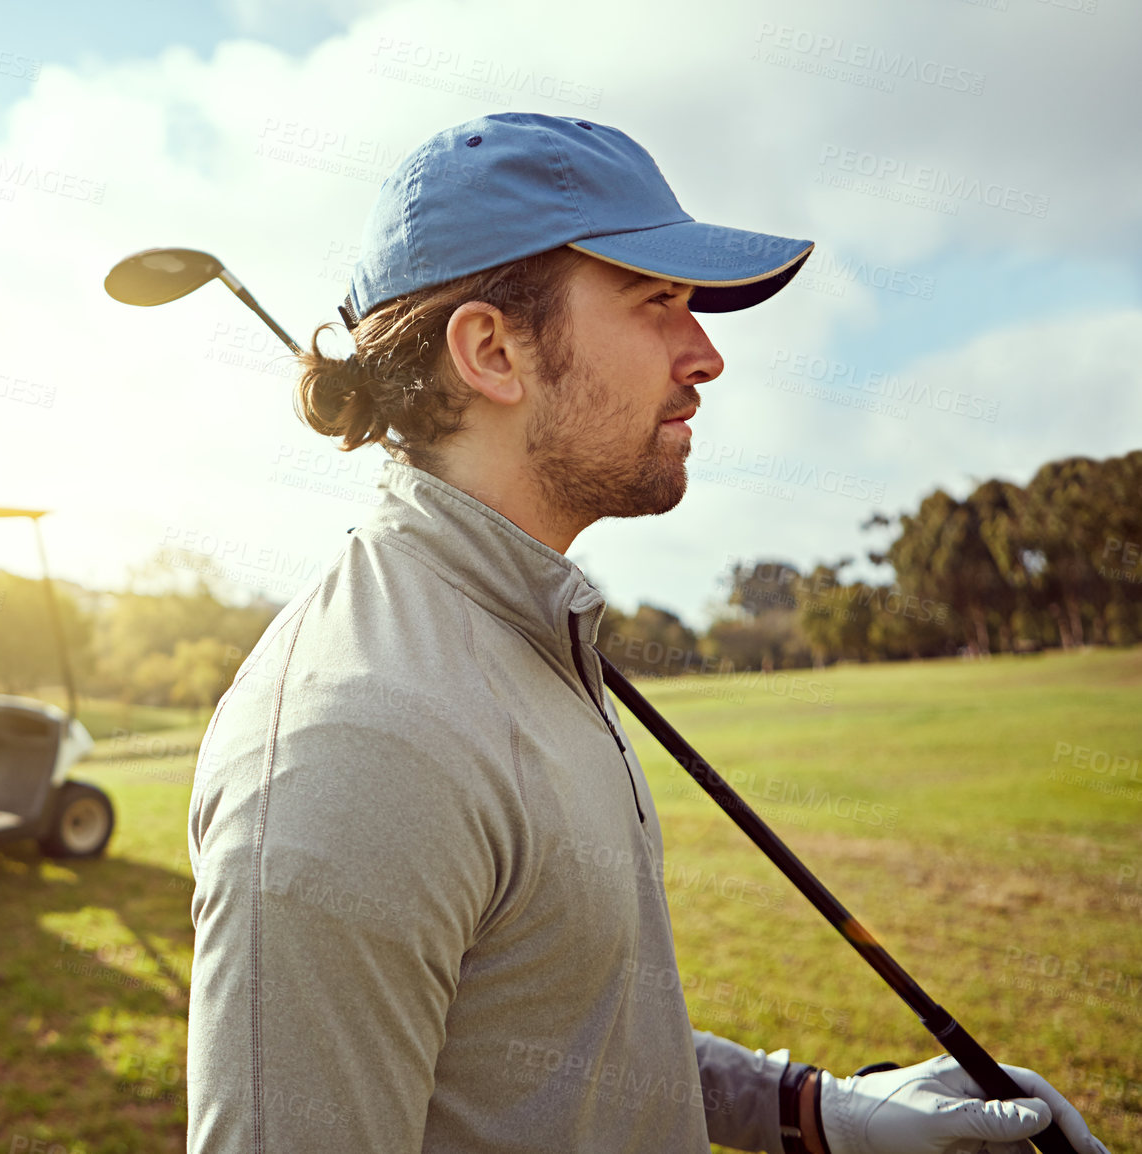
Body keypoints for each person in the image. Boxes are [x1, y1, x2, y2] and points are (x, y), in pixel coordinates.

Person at [184, 112, 1109, 1154]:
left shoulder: (535, 639)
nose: (705, 353)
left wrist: (811, 1109)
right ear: (491, 350)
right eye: (657, 302)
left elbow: (554, 1029)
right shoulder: (356, 743)